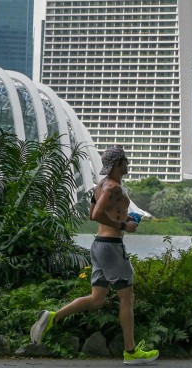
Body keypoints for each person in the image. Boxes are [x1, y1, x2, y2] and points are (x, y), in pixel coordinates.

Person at [30, 146, 158, 364]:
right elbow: (96, 215)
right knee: (127, 298)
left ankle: (53, 317)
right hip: (111, 247)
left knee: (97, 299)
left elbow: (92, 212)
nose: (128, 164)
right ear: (118, 164)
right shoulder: (113, 188)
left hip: (100, 245)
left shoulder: (100, 186)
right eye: (126, 161)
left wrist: (123, 220)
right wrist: (124, 225)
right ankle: (131, 351)